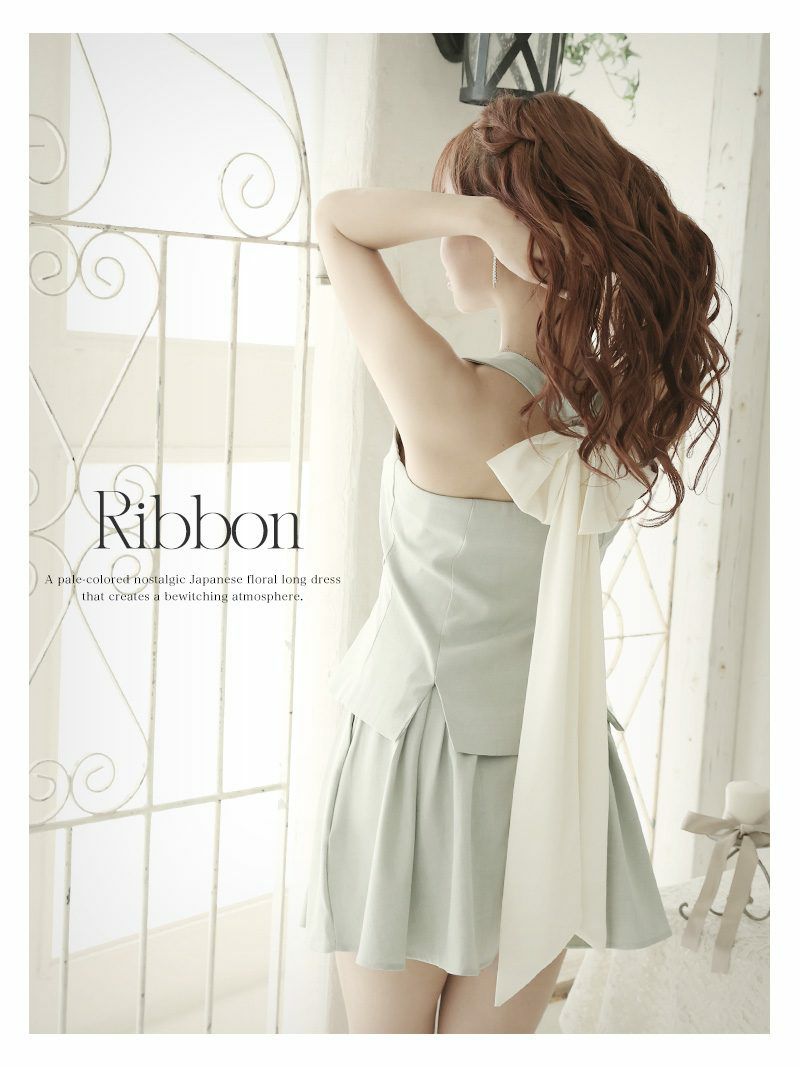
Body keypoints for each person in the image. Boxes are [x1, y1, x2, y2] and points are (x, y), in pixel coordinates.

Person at [300, 90, 730, 1034]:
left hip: (414, 762)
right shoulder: (624, 416)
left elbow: (336, 220)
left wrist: (474, 215)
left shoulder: (449, 398)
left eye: (460, 214)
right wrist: (501, 218)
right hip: (553, 763)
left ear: (503, 230)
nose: (447, 240)